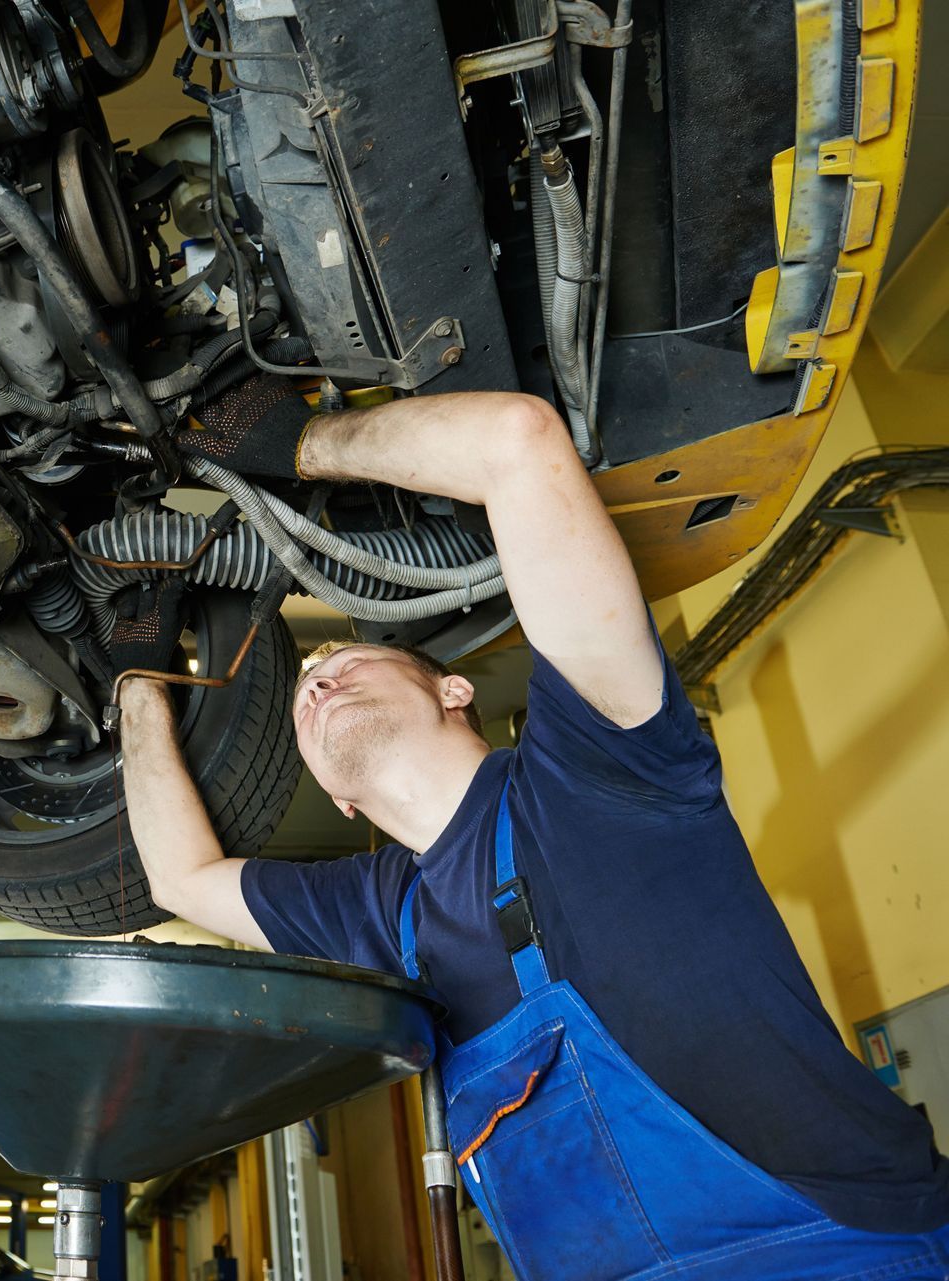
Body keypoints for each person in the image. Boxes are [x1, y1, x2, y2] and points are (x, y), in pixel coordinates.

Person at [115, 378, 949, 1279]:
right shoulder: (370, 910)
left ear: (455, 689)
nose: (314, 679)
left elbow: (517, 442)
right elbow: (179, 878)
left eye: (345, 656)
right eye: (305, 694)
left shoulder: (596, 763)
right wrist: (137, 678)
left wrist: (297, 440)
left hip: (837, 1251)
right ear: (337, 800)